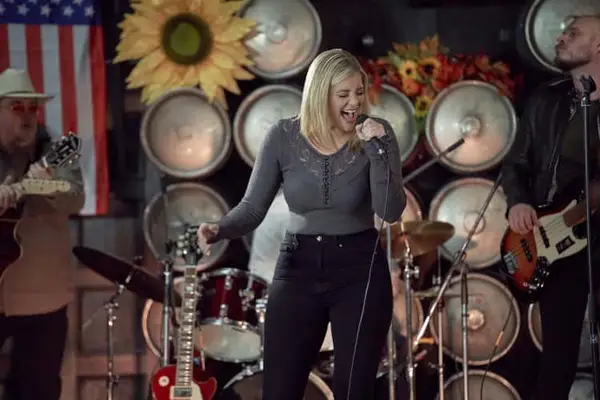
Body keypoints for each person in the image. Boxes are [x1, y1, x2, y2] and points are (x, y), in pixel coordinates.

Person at [198, 48, 406, 399]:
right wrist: (220, 229)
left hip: (360, 269)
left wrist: (377, 149)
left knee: (354, 393)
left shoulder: (379, 135)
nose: (354, 102)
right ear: (320, 96)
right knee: (280, 390)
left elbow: (389, 210)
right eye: (343, 94)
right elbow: (251, 208)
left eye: (359, 92)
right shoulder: (282, 137)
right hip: (298, 265)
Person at [501, 15, 600, 400]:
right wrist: (519, 202)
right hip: (557, 241)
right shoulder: (546, 100)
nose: (561, 37)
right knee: (557, 359)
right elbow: (515, 163)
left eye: (573, 33)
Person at [0, 68, 85, 400]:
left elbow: (75, 198)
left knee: (40, 389)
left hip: (42, 294)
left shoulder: (56, 151)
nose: (27, 116)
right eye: (16, 107)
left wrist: (47, 186)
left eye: (32, 108)